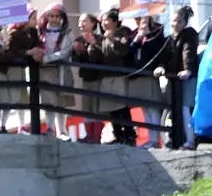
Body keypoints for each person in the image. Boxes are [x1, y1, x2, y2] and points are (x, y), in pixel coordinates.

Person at [155, 4, 199, 150]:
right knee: (174, 110)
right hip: (174, 79)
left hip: (187, 78)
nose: (175, 24)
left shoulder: (189, 34)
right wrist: (161, 67)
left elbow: (188, 52)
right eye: (173, 21)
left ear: (185, 22)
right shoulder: (170, 39)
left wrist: (187, 69)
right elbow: (164, 56)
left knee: (186, 109)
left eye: (179, 21)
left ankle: (190, 141)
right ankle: (177, 140)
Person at [128, 15, 166, 147]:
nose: (139, 21)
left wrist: (148, 34)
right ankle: (150, 138)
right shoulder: (134, 33)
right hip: (138, 74)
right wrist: (138, 38)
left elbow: (157, 50)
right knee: (144, 108)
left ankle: (155, 140)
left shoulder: (157, 31)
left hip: (150, 74)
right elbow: (130, 50)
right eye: (137, 18)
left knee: (153, 108)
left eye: (142, 18)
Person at [39, 4, 75, 140]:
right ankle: (50, 128)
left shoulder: (67, 32)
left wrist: (49, 58)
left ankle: (62, 130)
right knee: (48, 101)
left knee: (61, 101)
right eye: (51, 15)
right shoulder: (40, 32)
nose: (54, 19)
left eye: (57, 16)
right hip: (44, 71)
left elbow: (66, 51)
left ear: (61, 18)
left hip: (61, 71)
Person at [99, 8, 134, 145]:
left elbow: (124, 50)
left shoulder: (123, 32)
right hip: (106, 75)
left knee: (121, 105)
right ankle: (118, 133)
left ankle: (129, 133)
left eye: (106, 20)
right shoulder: (103, 36)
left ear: (115, 21)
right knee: (111, 107)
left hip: (119, 75)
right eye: (102, 21)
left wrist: (113, 38)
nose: (103, 23)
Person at [70, 13, 105, 144]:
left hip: (97, 78)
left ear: (93, 23)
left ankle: (96, 136)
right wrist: (78, 52)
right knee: (86, 108)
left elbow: (100, 57)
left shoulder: (99, 38)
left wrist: (93, 44)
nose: (81, 24)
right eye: (80, 21)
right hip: (85, 78)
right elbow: (75, 61)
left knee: (96, 108)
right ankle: (89, 135)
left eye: (84, 21)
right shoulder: (78, 40)